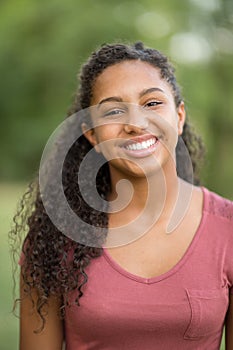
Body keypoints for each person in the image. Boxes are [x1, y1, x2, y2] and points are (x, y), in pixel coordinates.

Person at [11, 42, 233, 349]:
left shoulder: (228, 229)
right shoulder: (54, 238)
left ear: (179, 117)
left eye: (152, 103)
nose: (135, 124)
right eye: (114, 110)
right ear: (92, 135)